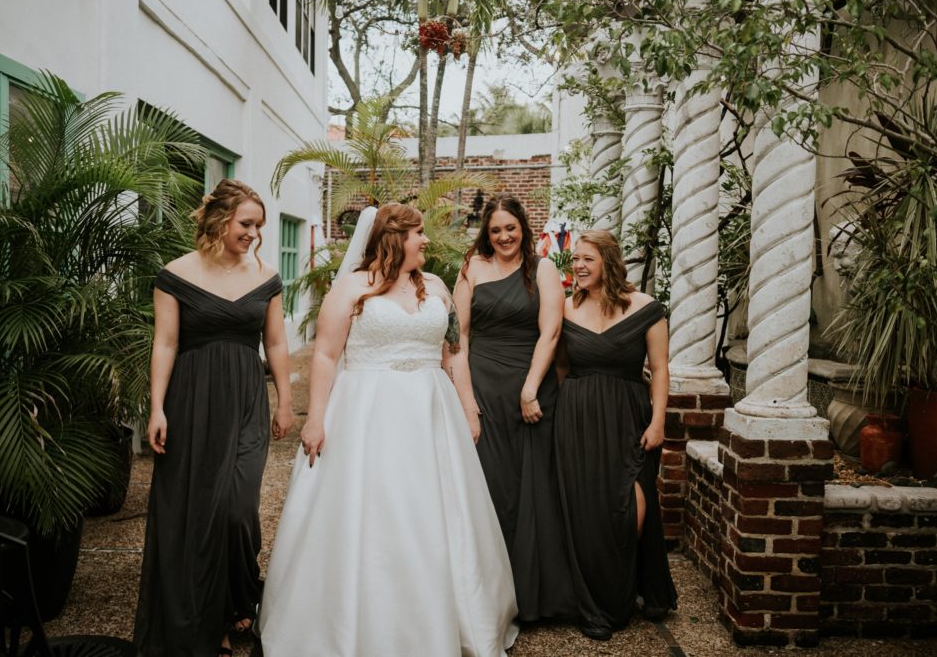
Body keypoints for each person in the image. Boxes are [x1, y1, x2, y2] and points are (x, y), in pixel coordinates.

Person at [257, 203, 519, 657]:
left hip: (431, 413)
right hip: (367, 412)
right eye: (419, 234)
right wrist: (315, 418)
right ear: (396, 238)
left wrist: (469, 406)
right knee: (373, 511)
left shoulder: (435, 286)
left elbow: (454, 350)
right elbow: (324, 355)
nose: (426, 241)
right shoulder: (352, 288)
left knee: (435, 511)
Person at [134, 179, 294, 657]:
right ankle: (213, 621)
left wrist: (285, 400)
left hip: (246, 399)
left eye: (259, 226)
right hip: (191, 402)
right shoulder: (175, 274)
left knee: (236, 509)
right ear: (220, 220)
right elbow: (165, 343)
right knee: (195, 511)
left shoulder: (265, 276)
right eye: (246, 224)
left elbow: (278, 343)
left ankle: (236, 595)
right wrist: (157, 407)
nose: (254, 234)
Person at [451, 194, 576, 622]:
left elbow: (552, 331)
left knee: (535, 487)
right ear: (486, 233)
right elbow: (459, 337)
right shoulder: (470, 269)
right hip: (482, 385)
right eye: (495, 230)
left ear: (523, 227)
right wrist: (465, 398)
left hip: (531, 384)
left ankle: (534, 597)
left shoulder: (542, 268)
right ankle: (487, 596)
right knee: (490, 485)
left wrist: (530, 388)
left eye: (510, 228)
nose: (504, 236)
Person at [553, 230, 678, 640]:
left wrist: (658, 421)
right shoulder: (566, 309)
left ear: (609, 260)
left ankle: (622, 592)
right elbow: (561, 368)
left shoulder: (646, 308)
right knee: (586, 513)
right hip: (578, 420)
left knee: (629, 510)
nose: (579, 266)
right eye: (575, 259)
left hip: (630, 419)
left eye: (588, 259)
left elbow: (660, 369)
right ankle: (596, 607)